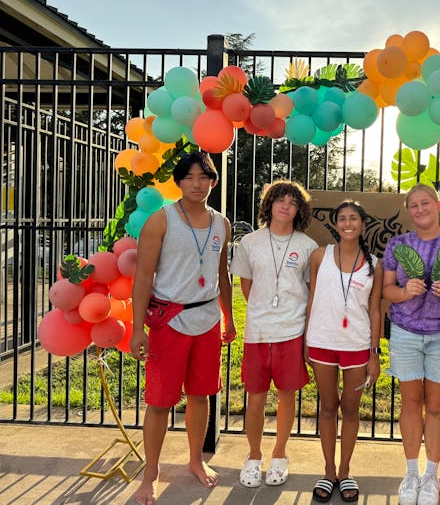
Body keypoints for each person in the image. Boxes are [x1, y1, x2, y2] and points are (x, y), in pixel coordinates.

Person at [130, 151, 235, 505]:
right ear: (178, 181)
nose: (197, 184)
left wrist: (230, 318)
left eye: (204, 177)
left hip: (207, 319)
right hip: (169, 321)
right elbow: (143, 276)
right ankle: (151, 473)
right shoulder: (161, 221)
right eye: (189, 177)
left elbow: (222, 275)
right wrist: (136, 329)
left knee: (201, 394)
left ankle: (195, 461)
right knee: (159, 401)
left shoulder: (222, 223)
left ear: (212, 182)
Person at [229, 180, 318, 488]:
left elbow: (310, 288)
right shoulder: (250, 242)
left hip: (291, 331)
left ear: (299, 210)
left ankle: (279, 454)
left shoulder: (307, 246)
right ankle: (253, 456)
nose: (285, 205)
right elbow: (246, 285)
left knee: (286, 397)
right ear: (269, 205)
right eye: (279, 200)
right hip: (258, 332)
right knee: (255, 398)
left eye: (292, 202)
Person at [381, 183, 440, 505]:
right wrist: (404, 292)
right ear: (408, 210)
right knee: (411, 404)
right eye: (413, 205)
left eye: (425, 203)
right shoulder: (398, 244)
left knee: (436, 406)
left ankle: (432, 475)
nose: (419, 209)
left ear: (438, 204)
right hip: (405, 332)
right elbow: (387, 289)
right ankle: (411, 473)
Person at [305, 200, 384, 503]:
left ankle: (345, 469)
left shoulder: (375, 264)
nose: (348, 223)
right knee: (327, 407)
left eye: (353, 218)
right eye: (342, 219)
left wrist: (374, 353)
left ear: (363, 224)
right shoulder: (319, 256)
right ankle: (328, 472)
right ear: (335, 224)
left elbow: (376, 311)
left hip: (356, 345)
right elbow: (311, 298)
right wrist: (305, 341)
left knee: (350, 410)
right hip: (322, 341)